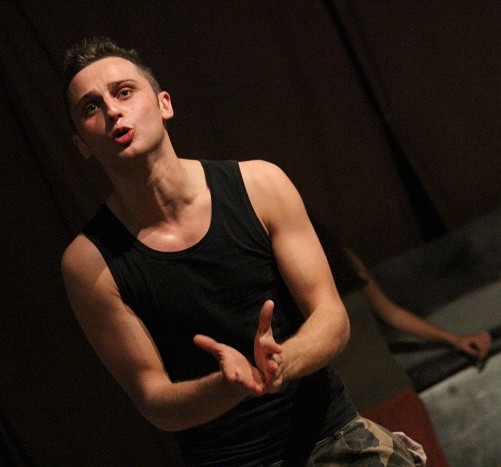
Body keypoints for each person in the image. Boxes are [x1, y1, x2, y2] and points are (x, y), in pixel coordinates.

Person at [59, 36, 425, 466]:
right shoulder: (89, 261)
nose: (112, 111)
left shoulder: (260, 185)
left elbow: (331, 318)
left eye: (123, 92)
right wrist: (228, 385)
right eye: (91, 107)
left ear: (164, 104)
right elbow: (154, 399)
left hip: (333, 438)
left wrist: (279, 363)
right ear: (82, 145)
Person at [312, 219, 492, 467]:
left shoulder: (340, 259)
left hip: (392, 390)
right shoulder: (279, 285)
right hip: (348, 415)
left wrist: (454, 339)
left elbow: (392, 313)